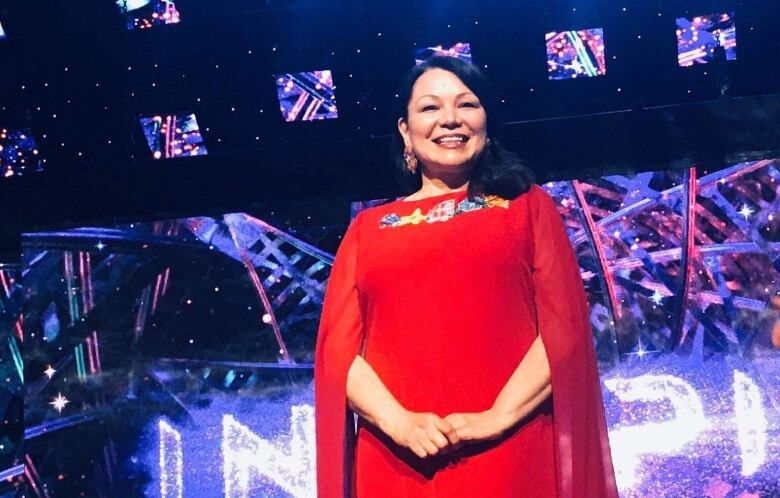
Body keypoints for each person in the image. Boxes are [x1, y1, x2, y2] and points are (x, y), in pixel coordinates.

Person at [314, 55, 618, 498]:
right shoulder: (369, 228)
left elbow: (564, 330)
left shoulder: (526, 208)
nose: (450, 119)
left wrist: (497, 416)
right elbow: (337, 352)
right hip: (395, 459)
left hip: (511, 450)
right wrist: (398, 423)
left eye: (467, 105)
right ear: (405, 130)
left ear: (486, 123)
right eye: (430, 108)